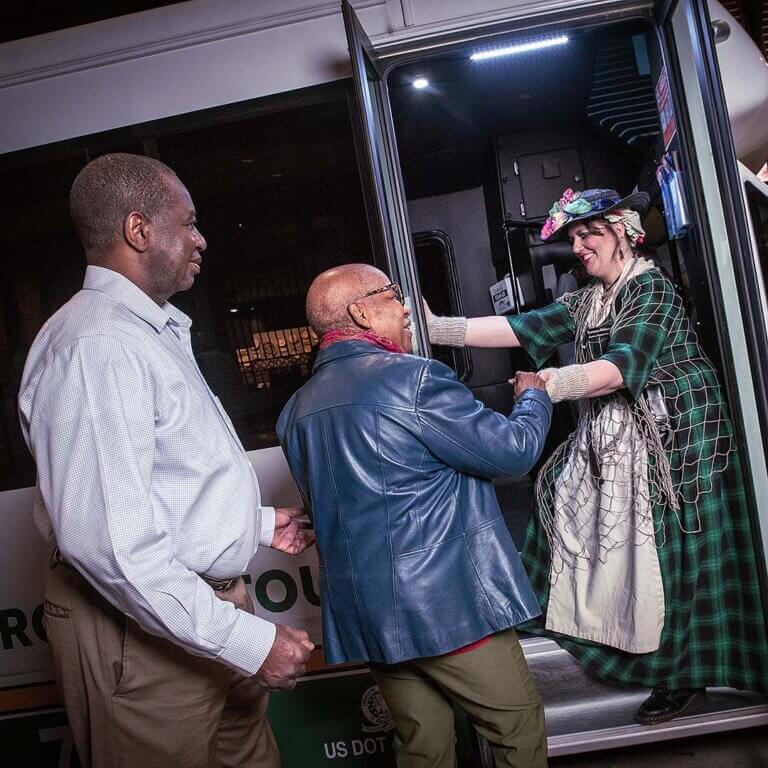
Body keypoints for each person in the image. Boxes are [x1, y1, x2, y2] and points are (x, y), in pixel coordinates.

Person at [427, 187, 768, 724]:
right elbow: (526, 326)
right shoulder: (590, 298)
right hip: (625, 429)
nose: (579, 246)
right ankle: (569, 618)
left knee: (676, 557)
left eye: (590, 234)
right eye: (574, 238)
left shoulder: (651, 288)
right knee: (564, 490)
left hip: (680, 437)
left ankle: (684, 675)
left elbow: (619, 365)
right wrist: (437, 327)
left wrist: (546, 383)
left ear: (625, 235)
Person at [18, 153, 315, 768]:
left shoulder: (146, 331)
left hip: (197, 613)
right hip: (142, 635)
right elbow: (110, 544)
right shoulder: (96, 345)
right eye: (189, 222)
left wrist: (255, 525)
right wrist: (244, 640)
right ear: (138, 230)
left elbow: (159, 482)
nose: (201, 238)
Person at [277, 263, 552, 768]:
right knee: (517, 728)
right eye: (393, 295)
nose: (405, 307)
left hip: (371, 621)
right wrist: (534, 396)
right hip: (451, 608)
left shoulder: (295, 411)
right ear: (361, 311)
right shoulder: (414, 380)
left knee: (422, 748)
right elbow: (512, 452)